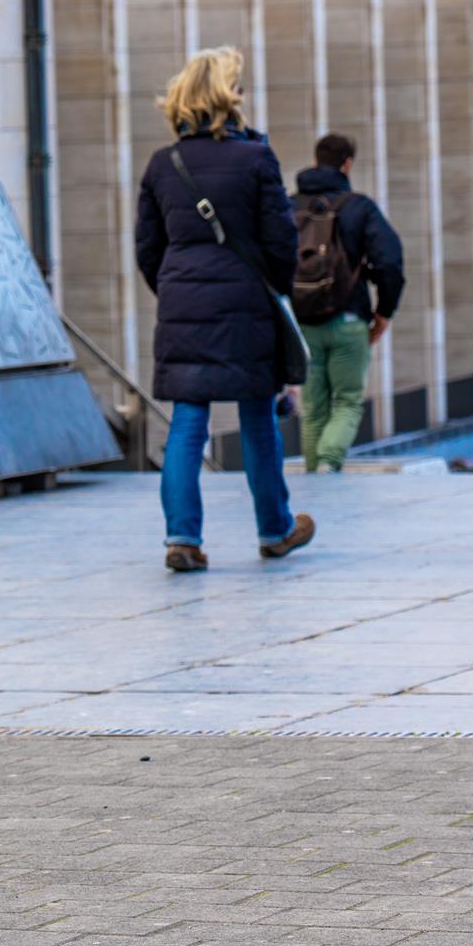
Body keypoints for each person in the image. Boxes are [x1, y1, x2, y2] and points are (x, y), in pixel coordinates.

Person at [135, 46, 315, 572]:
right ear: (226, 96)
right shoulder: (255, 158)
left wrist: (175, 290)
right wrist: (275, 293)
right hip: (246, 303)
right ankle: (275, 529)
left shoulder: (162, 165)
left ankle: (181, 539)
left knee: (188, 421)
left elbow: (148, 248)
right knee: (258, 414)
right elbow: (282, 241)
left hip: (182, 305)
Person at [291, 134, 406, 473]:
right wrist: (384, 312)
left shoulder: (287, 205)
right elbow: (389, 262)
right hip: (349, 320)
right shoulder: (359, 207)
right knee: (347, 402)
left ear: (315, 162)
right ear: (347, 164)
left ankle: (316, 482)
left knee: (313, 408)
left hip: (302, 324)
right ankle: (328, 464)